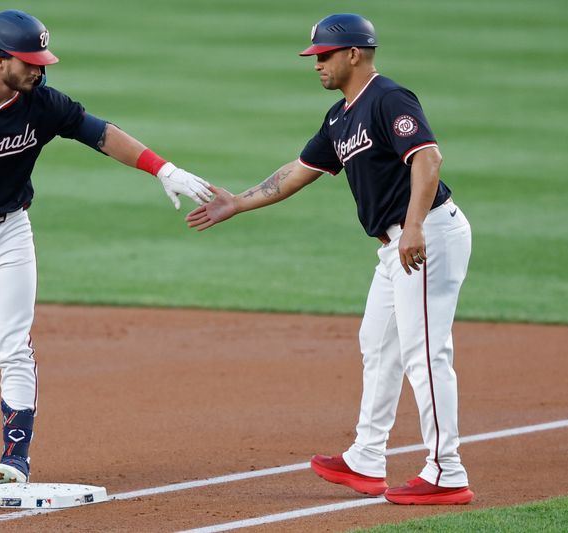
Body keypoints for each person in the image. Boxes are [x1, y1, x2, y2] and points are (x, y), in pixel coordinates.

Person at [0, 9, 211, 496]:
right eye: (29, 61)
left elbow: (100, 133)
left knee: (13, 347)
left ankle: (15, 456)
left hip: (10, 234)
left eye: (42, 60)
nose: (39, 69)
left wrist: (162, 168)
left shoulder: (42, 103)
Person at [187, 13, 473, 505]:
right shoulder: (340, 116)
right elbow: (297, 171)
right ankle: (367, 457)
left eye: (323, 55)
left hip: (428, 236)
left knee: (425, 353)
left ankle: (447, 471)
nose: (315, 63)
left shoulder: (388, 99)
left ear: (354, 54)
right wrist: (238, 202)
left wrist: (413, 225)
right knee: (377, 345)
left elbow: (428, 158)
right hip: (396, 245)